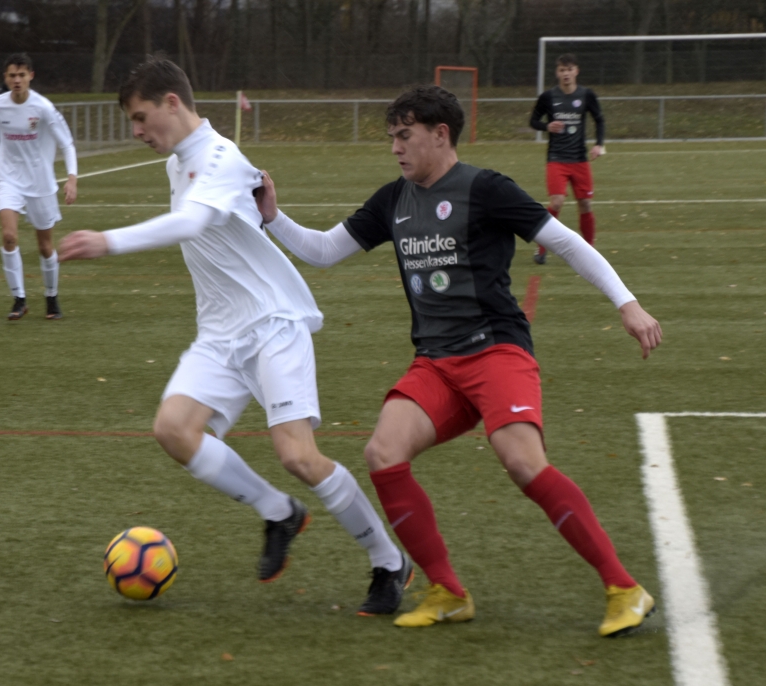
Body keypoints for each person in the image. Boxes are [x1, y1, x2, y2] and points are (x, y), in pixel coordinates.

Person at [254, 85, 662, 636]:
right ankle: (446, 591)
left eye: (405, 136)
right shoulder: (393, 200)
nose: (395, 148)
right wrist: (273, 217)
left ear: (440, 134)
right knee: (383, 453)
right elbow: (325, 251)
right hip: (436, 363)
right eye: (392, 137)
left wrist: (627, 304)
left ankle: (624, 588)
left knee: (522, 462)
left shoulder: (486, 188)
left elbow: (565, 242)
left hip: (496, 351)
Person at [59, 56, 413, 615]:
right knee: (174, 430)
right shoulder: (177, 164)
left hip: (273, 323)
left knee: (298, 456)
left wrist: (109, 241)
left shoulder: (221, 157)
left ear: (172, 102)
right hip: (220, 333)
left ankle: (389, 561)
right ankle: (279, 512)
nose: (137, 131)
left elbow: (192, 223)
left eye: (141, 117)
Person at [0, 53, 77, 321]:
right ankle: (19, 299)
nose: (17, 80)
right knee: (9, 236)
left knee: (45, 246)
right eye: (12, 75)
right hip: (8, 178)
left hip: (39, 181)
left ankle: (51, 297)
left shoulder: (43, 107)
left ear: (31, 76)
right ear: (5, 78)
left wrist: (71, 178)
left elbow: (67, 143)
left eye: (22, 75)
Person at [529, 53, 605, 265]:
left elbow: (599, 120)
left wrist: (599, 144)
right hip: (556, 158)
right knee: (557, 201)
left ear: (576, 71)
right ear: (557, 72)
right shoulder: (548, 97)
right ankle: (541, 247)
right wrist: (547, 126)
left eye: (569, 69)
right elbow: (533, 121)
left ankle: (590, 251)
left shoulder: (586, 95)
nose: (566, 74)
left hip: (579, 159)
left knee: (585, 204)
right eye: (562, 70)